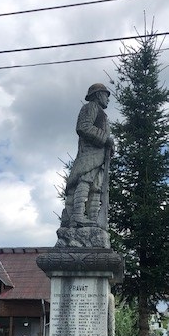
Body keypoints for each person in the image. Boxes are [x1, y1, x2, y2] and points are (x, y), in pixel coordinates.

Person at [61, 83, 114, 229]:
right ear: (98, 95)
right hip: (89, 153)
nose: (108, 99)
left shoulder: (102, 113)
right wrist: (105, 139)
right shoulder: (90, 107)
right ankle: (77, 215)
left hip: (100, 155)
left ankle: (93, 218)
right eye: (106, 95)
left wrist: (109, 146)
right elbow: (83, 127)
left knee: (96, 187)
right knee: (85, 181)